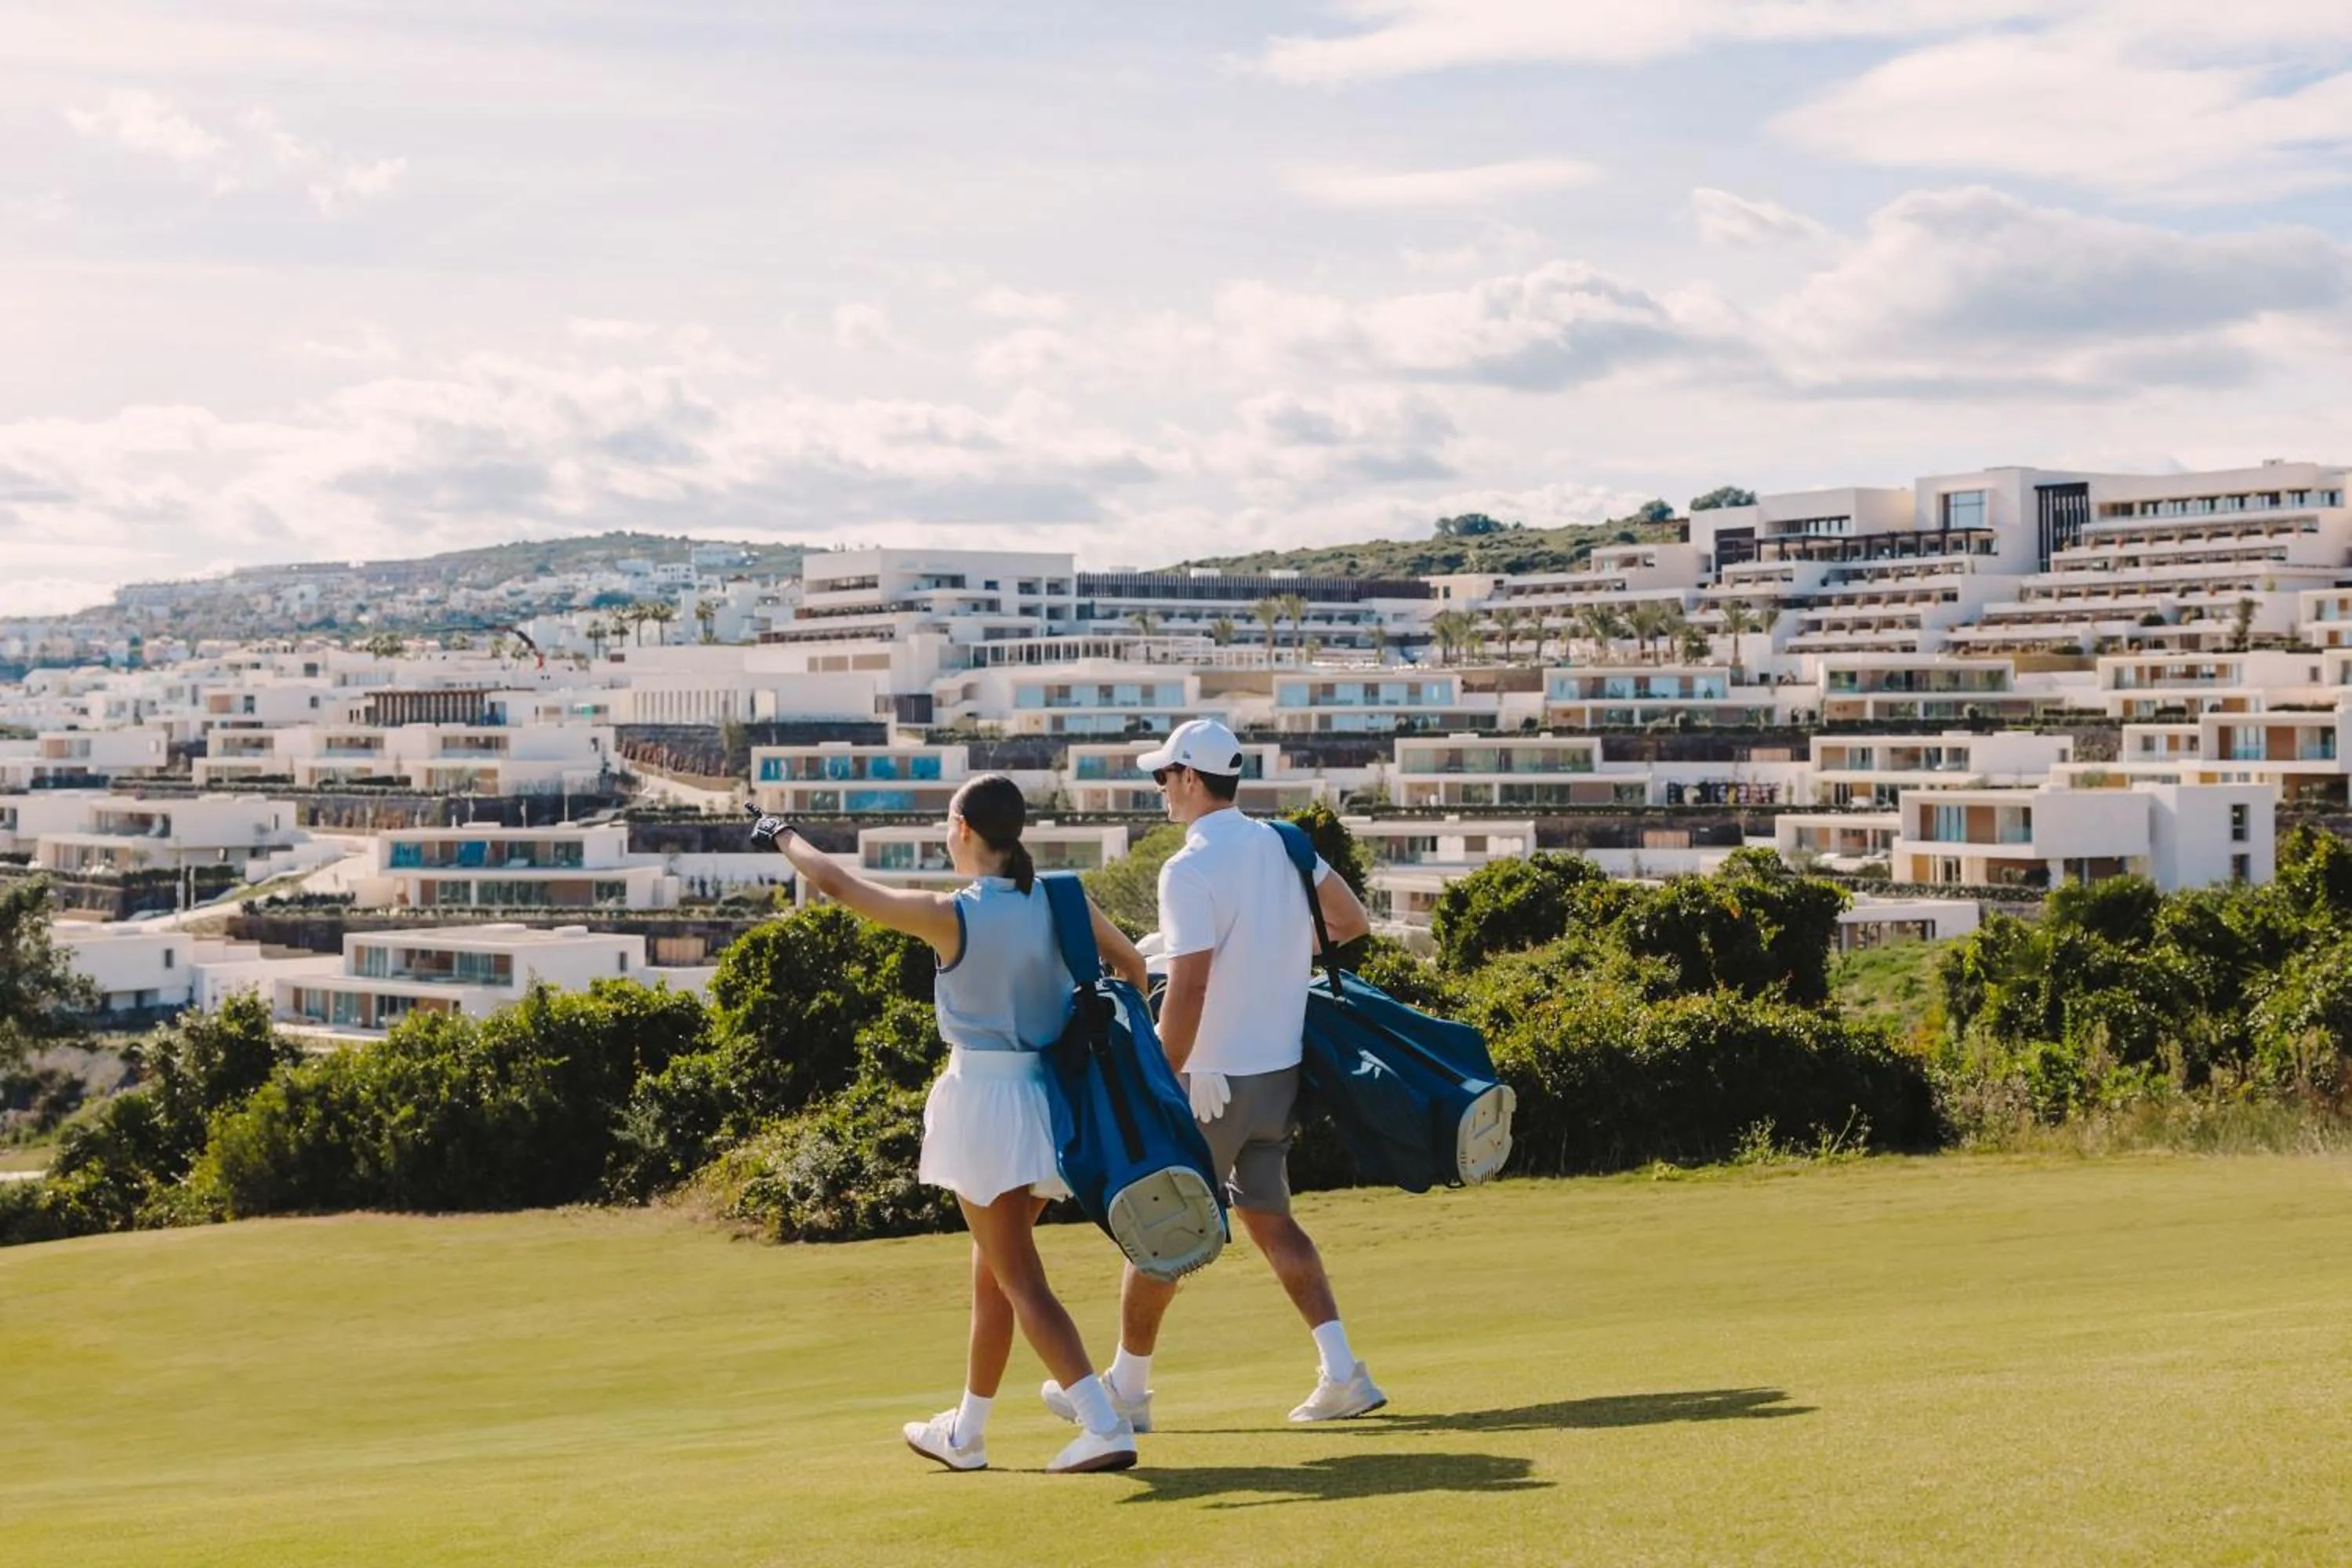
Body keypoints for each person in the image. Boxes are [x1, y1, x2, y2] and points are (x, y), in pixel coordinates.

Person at [756, 774, 1150, 1475]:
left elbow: (843, 889)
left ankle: (1101, 1419)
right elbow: (1133, 967)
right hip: (1050, 1101)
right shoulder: (1061, 896)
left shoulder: (955, 914)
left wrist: (783, 835)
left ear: (964, 828)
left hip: (985, 1103)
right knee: (993, 1274)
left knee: (1019, 1276)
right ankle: (966, 1431)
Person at [1040, 719, 1384, 1432]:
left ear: (1191, 779)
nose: (1160, 789)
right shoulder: (1284, 844)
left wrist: (1159, 1082)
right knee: (1269, 1218)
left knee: (1157, 1222)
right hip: (1279, 1074)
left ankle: (1129, 1393)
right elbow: (1349, 922)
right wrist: (1273, 961)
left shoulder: (1187, 868)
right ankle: (1344, 1373)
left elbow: (1188, 989)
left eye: (1164, 776)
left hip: (1211, 1082)